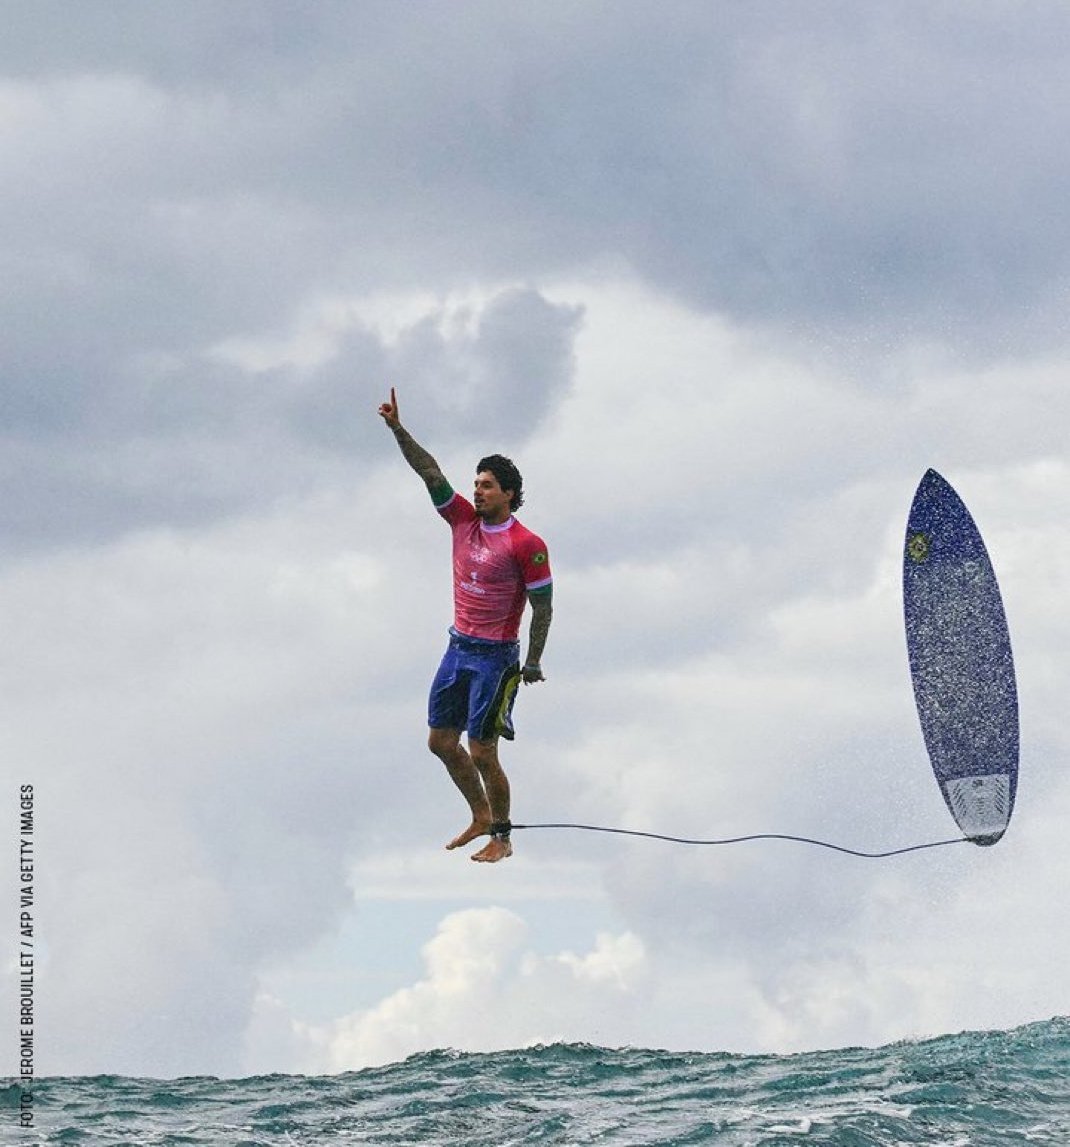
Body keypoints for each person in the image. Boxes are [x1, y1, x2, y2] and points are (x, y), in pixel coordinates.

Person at [377, 387, 553, 863]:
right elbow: (429, 470)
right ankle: (479, 815)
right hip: (458, 648)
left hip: (496, 658)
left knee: (482, 751)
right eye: (476, 483)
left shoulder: (526, 543)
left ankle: (502, 835)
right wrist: (397, 429)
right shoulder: (461, 521)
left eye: (487, 486)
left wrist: (533, 661)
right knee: (440, 742)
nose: (477, 491)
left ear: (509, 494)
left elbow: (543, 606)